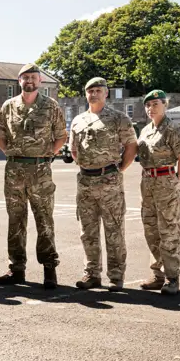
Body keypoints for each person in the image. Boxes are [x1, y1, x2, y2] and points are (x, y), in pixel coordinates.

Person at [0, 63, 67, 289]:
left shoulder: (50, 106)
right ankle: (17, 269)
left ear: (40, 81)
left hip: (40, 171)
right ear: (19, 81)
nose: (30, 81)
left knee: (44, 220)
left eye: (34, 77)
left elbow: (61, 136)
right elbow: (0, 136)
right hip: (14, 171)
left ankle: (49, 269)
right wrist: (12, 154)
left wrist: (46, 155)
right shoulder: (8, 106)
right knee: (15, 221)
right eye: (25, 77)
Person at [69, 77, 138, 292]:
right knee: (87, 231)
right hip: (85, 181)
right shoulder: (78, 120)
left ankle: (116, 276)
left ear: (106, 93)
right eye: (90, 91)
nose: (94, 94)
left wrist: (119, 169)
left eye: (98, 90)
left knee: (114, 229)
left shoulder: (118, 118)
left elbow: (131, 146)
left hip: (109, 181)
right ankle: (92, 273)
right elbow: (73, 150)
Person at [137, 89, 180, 295]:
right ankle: (157, 275)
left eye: (155, 104)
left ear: (165, 105)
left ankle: (172, 278)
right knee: (151, 230)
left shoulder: (172, 130)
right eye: (148, 105)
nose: (151, 108)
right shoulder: (145, 130)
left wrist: (176, 180)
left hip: (165, 182)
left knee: (169, 230)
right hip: (147, 183)